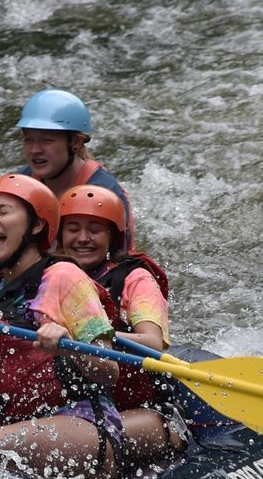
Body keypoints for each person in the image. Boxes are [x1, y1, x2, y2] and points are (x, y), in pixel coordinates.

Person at [0, 173, 175, 479]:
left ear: (36, 225)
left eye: (3, 212)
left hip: (80, 426)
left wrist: (69, 345)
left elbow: (108, 369)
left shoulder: (63, 276)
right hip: (26, 430)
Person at [0, 88, 131, 283]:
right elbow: (0, 235)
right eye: (29, 140)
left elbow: (115, 264)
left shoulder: (104, 193)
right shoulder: (23, 181)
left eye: (47, 140)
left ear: (75, 143)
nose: (35, 150)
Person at [55, 185, 180, 434]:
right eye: (72, 229)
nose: (82, 238)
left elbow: (152, 343)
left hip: (145, 409)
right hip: (80, 407)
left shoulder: (135, 279)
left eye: (94, 230)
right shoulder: (51, 279)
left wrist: (87, 335)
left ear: (112, 236)